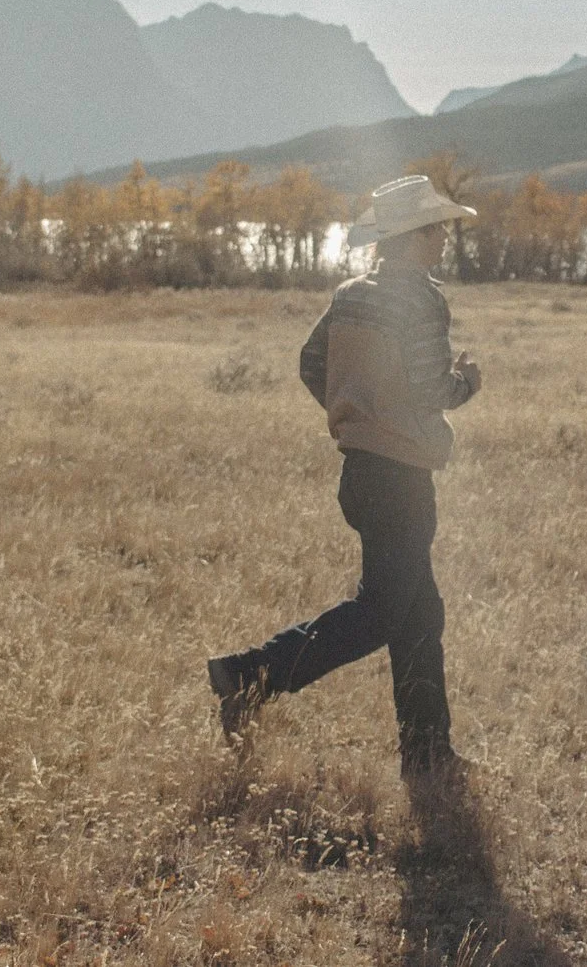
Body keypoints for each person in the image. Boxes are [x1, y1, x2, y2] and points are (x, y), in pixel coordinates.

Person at [205, 174, 483, 779]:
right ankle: (249, 675)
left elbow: (312, 365)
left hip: (359, 473)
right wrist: (469, 382)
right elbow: (434, 387)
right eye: (435, 227)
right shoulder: (422, 300)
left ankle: (428, 751)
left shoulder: (351, 294)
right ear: (411, 237)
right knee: (384, 610)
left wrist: (355, 415)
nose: (443, 237)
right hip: (403, 477)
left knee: (418, 612)